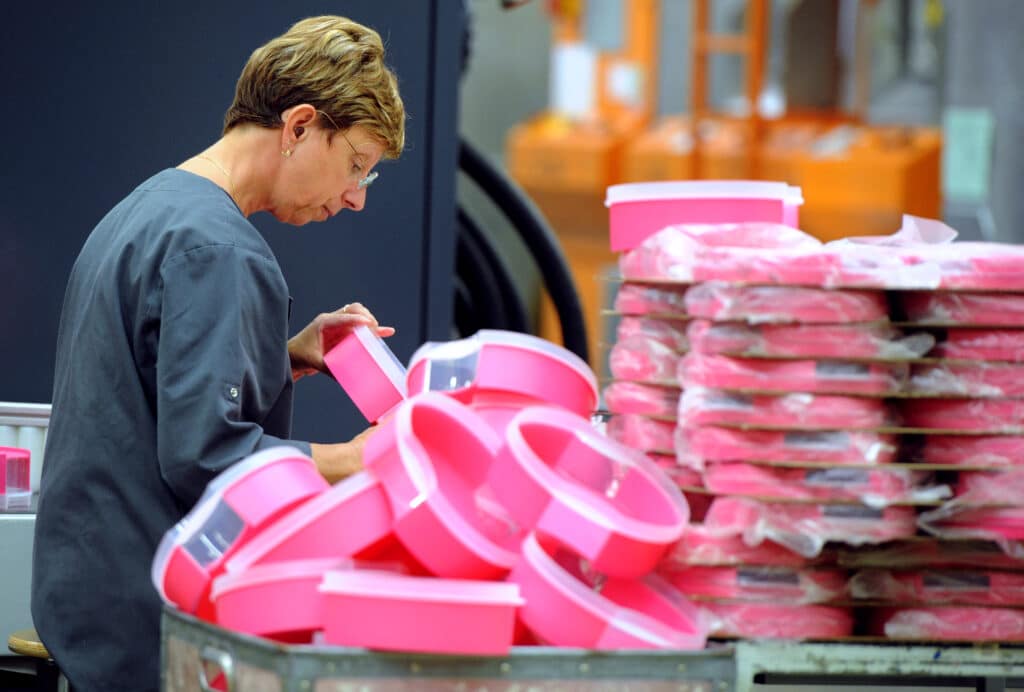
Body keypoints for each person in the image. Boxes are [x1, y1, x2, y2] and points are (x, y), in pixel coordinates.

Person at [31, 15, 405, 692]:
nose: (353, 197)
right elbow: (209, 458)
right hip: (147, 628)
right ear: (298, 126)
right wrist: (360, 460)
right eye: (355, 166)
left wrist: (281, 353)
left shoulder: (148, 208)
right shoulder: (221, 250)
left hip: (87, 602)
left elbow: (147, 380)